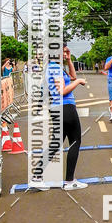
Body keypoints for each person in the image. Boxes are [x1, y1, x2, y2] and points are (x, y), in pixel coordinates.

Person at [46, 45, 87, 190]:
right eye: (63, 52)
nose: (65, 54)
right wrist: (78, 82)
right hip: (65, 107)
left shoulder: (55, 67)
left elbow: (72, 77)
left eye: (66, 51)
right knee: (75, 141)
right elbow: (62, 91)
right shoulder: (54, 68)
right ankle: (70, 181)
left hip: (59, 108)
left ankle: (36, 177)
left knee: (55, 144)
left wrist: (69, 60)